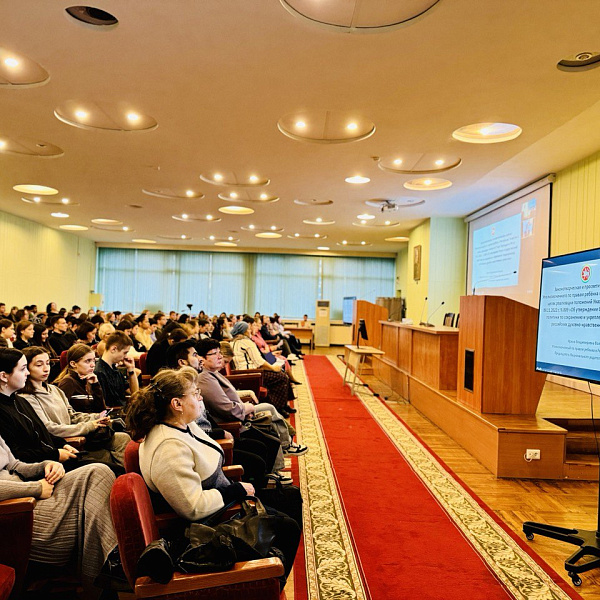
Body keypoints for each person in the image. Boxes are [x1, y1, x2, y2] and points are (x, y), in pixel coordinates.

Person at [127, 368, 300, 583]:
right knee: (287, 526)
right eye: (194, 393)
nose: (200, 398)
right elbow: (193, 507)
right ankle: (267, 582)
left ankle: (270, 578)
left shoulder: (184, 424)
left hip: (221, 505)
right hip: (204, 527)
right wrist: (235, 490)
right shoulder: (168, 448)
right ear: (176, 404)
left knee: (290, 497)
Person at [0, 434, 117, 594]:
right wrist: (36, 488)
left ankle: (108, 567)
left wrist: (47, 465)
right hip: (15, 514)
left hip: (30, 495)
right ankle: (107, 573)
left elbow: (15, 465)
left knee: (98, 472)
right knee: (91, 507)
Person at [20, 346, 129, 469]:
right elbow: (49, 428)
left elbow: (72, 415)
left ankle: (129, 480)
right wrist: (90, 425)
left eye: (48, 363)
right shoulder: (27, 397)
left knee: (123, 439)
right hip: (66, 443)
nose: (46, 369)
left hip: (76, 434)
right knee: (113, 461)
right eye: (39, 365)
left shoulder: (54, 390)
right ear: (26, 368)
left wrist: (97, 417)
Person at [197, 338, 308, 459]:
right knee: (269, 425)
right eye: (214, 354)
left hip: (240, 412)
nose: (219, 357)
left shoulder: (214, 373)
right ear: (202, 358)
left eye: (219, 353)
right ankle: (286, 445)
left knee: (270, 417)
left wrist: (245, 406)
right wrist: (246, 409)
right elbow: (226, 408)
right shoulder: (205, 378)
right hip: (233, 420)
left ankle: (286, 445)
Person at [230, 322, 296, 416]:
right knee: (282, 377)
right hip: (251, 374)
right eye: (248, 329)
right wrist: (273, 368)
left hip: (244, 372)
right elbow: (259, 361)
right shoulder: (246, 342)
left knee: (281, 373)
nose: (250, 331)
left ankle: (284, 404)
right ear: (243, 332)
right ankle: (279, 407)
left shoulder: (232, 342)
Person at [55, 343, 108, 412]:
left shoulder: (87, 380)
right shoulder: (68, 382)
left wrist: (95, 385)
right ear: (73, 364)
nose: (93, 365)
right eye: (88, 361)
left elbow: (101, 410)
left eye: (94, 360)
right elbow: (60, 411)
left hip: (92, 420)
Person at [94, 331, 138, 407]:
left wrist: (131, 370)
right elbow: (104, 405)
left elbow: (134, 394)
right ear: (114, 349)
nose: (126, 356)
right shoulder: (99, 372)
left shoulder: (115, 369)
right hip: (114, 413)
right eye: (125, 352)